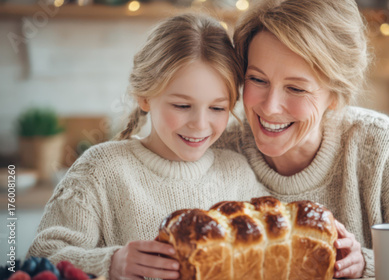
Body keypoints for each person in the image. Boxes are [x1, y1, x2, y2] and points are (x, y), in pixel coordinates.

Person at [213, 0, 389, 278]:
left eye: (296, 88)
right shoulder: (220, 147)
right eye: (258, 80)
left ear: (336, 95)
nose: (269, 106)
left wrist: (368, 264)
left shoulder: (379, 147)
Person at [27, 13, 269, 280]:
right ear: (144, 96)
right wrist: (110, 263)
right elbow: (40, 257)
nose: (200, 124)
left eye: (217, 108)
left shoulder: (237, 173)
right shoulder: (101, 169)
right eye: (182, 106)